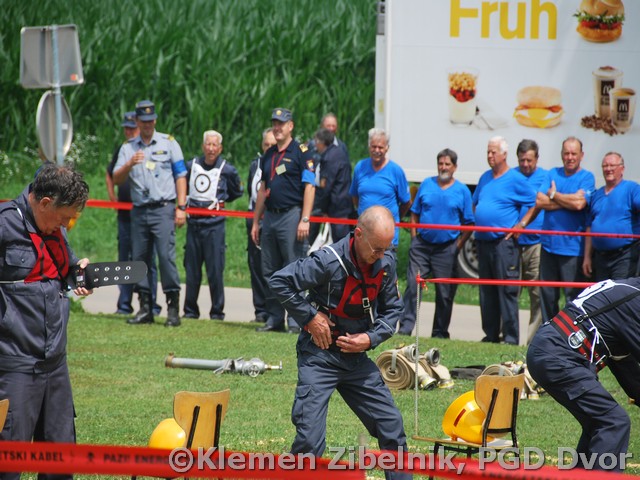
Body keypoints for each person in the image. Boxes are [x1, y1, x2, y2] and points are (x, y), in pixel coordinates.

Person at [270, 206, 412, 480]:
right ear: (358, 235)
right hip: (319, 356)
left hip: (356, 360)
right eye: (377, 249)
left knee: (391, 424)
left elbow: (393, 311)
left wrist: (369, 339)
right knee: (309, 440)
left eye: (387, 248)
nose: (381, 255)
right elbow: (280, 282)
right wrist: (310, 318)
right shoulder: (327, 261)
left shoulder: (385, 263)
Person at [0, 163, 92, 480]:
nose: (66, 225)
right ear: (44, 203)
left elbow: (63, 270)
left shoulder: (54, 228)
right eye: (64, 217)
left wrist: (78, 271)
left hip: (55, 365)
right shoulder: (5, 225)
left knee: (61, 460)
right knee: (8, 462)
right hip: (16, 366)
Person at [527, 278, 640, 472]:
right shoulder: (634, 301)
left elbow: (626, 368)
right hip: (558, 355)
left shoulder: (624, 291)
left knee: (598, 422)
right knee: (613, 422)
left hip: (549, 349)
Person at [113, 99, 187, 327]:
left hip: (163, 209)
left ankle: (172, 309)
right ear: (137, 121)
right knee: (140, 259)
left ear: (155, 120)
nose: (147, 124)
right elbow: (116, 178)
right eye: (143, 121)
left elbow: (180, 175)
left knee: (165, 257)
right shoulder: (128, 148)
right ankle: (145, 308)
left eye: (150, 120)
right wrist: (129, 164)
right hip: (139, 211)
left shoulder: (169, 143)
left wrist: (181, 207)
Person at [251, 108, 316, 333]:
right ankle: (274, 319)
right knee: (269, 269)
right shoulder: (269, 155)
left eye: (281, 123)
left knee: (294, 269)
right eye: (275, 123)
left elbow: (310, 186)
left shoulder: (301, 152)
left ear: (291, 126)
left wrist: (305, 219)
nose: (277, 128)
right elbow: (263, 189)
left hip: (291, 216)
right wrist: (256, 221)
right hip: (270, 216)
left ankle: (297, 321)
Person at [398, 148, 474, 337]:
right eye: (441, 163)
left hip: (447, 248)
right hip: (421, 246)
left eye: (447, 164)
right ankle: (405, 328)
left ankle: (439, 332)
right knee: (413, 285)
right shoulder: (426, 184)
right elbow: (414, 213)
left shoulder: (462, 191)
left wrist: (458, 246)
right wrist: (414, 237)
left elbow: (469, 223)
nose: (443, 167)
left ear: (455, 167)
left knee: (444, 292)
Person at [473, 136, 536, 345]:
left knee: (507, 290)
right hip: (483, 243)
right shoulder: (485, 177)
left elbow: (536, 202)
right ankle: (490, 335)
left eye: (494, 152)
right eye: (488, 152)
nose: (490, 156)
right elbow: (476, 203)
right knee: (486, 291)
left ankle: (510, 337)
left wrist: (521, 224)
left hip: (504, 244)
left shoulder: (515, 179)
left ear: (504, 154)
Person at [183, 130, 243, 320]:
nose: (210, 149)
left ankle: (217, 312)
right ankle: (190, 311)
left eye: (214, 145)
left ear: (220, 148)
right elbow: (181, 184)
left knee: (215, 270)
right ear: (203, 146)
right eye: (208, 144)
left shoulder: (228, 170)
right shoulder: (191, 166)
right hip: (194, 225)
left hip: (215, 226)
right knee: (192, 270)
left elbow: (236, 191)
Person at [106, 111, 161, 316]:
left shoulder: (151, 148)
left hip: (145, 213)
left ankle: (151, 304)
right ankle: (124, 304)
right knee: (125, 261)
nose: (129, 132)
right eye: (126, 129)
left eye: (132, 128)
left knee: (148, 260)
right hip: (125, 216)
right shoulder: (124, 149)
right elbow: (110, 173)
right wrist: (113, 197)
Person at [535, 137, 595, 320]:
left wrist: (554, 194)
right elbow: (539, 201)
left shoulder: (587, 177)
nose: (570, 157)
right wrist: (569, 199)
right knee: (547, 297)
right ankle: (549, 333)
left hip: (572, 250)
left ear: (581, 155)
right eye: (566, 153)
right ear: (561, 154)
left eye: (573, 153)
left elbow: (579, 204)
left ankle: (572, 335)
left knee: (573, 300)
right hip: (548, 247)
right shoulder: (552, 173)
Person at [349, 128, 411, 249]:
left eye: (380, 147)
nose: (377, 150)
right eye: (374, 146)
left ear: (387, 148)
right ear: (369, 147)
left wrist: (391, 219)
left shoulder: (396, 171)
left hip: (387, 238)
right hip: (363, 235)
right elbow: (355, 196)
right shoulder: (360, 167)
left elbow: (406, 203)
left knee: (384, 262)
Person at [583, 152, 640, 282]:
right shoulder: (596, 195)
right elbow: (589, 227)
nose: (608, 169)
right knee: (602, 292)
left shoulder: (632, 189)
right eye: (605, 166)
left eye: (612, 165)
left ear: (622, 168)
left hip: (624, 256)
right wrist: (587, 257)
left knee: (619, 291)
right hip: (600, 257)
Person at [513, 139, 547, 344]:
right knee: (510, 292)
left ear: (537, 159)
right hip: (513, 244)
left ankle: (533, 340)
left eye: (529, 160)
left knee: (536, 292)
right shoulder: (511, 176)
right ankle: (508, 337)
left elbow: (543, 202)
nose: (525, 164)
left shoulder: (544, 177)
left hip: (536, 243)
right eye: (522, 160)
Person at [246, 128, 276, 323]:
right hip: (255, 219)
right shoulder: (254, 165)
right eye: (266, 144)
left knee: (272, 266)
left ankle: (276, 312)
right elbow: (252, 192)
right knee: (255, 265)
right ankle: (260, 311)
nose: (269, 148)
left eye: (273, 145)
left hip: (274, 219)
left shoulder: (281, 164)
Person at [311, 127, 353, 242]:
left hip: (336, 208)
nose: (315, 145)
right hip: (345, 204)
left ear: (321, 142)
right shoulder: (340, 152)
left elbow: (326, 186)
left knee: (340, 243)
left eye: (316, 141)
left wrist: (322, 208)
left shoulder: (328, 158)